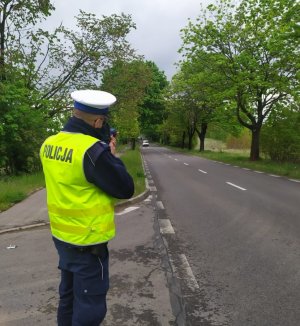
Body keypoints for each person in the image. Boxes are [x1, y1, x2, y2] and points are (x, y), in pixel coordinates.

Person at [40, 89, 134, 326]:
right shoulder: (93, 151)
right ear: (98, 120)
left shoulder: (49, 144)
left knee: (69, 298)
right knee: (90, 307)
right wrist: (112, 156)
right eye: (104, 122)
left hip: (61, 237)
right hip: (88, 242)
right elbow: (125, 188)